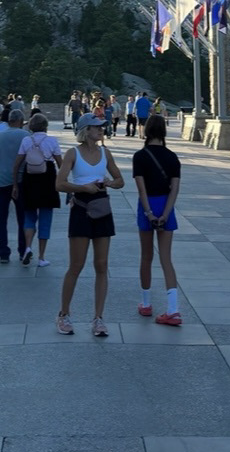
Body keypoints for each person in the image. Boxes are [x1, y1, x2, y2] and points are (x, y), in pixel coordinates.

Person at [56, 113, 125, 336]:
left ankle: (98, 318)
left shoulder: (106, 152)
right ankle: (64, 314)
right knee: (76, 265)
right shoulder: (72, 153)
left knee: (102, 264)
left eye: (102, 127)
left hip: (101, 206)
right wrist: (83, 188)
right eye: (97, 127)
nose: (101, 130)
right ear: (86, 130)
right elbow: (59, 184)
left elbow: (120, 180)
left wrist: (109, 183)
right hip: (81, 207)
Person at [133, 114, 182, 326]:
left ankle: (146, 303)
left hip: (148, 205)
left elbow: (141, 189)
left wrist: (149, 213)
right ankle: (173, 309)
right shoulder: (172, 157)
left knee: (146, 256)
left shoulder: (140, 156)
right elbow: (175, 189)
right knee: (166, 259)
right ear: (164, 132)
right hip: (166, 205)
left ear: (146, 131)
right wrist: (165, 213)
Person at [12, 112, 62, 267]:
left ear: (31, 126)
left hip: (30, 179)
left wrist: (15, 184)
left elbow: (17, 163)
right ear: (46, 126)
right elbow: (61, 164)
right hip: (47, 179)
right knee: (46, 218)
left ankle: (27, 247)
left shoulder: (26, 140)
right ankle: (41, 257)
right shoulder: (52, 141)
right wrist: (64, 183)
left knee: (29, 215)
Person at [0, 106, 28, 263]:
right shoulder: (26, 136)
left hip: (0, 181)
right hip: (21, 181)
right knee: (23, 218)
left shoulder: (0, 136)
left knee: (0, 219)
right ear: (21, 121)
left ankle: (3, 253)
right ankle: (23, 250)